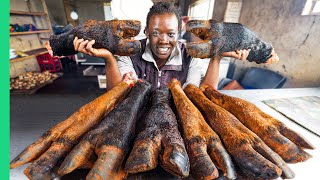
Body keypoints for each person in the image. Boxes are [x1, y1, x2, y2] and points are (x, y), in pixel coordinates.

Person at [49, 2, 251, 90]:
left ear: (179, 33)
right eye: (156, 33)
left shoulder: (191, 56)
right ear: (146, 31)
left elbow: (202, 96)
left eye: (171, 34)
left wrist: (217, 56)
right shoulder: (127, 50)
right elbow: (116, 93)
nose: (164, 40)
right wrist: (108, 57)